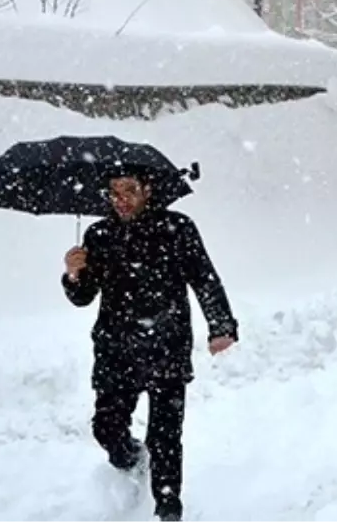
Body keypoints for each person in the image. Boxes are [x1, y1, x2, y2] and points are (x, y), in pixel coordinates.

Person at [61, 165, 239, 522]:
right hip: (115, 348)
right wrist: (73, 273)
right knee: (106, 428)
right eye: (113, 192)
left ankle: (168, 509)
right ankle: (133, 460)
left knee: (165, 436)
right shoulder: (99, 234)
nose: (120, 199)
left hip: (166, 345)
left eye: (128, 190)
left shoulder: (177, 229)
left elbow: (204, 279)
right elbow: (83, 298)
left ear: (148, 189)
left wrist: (221, 325)